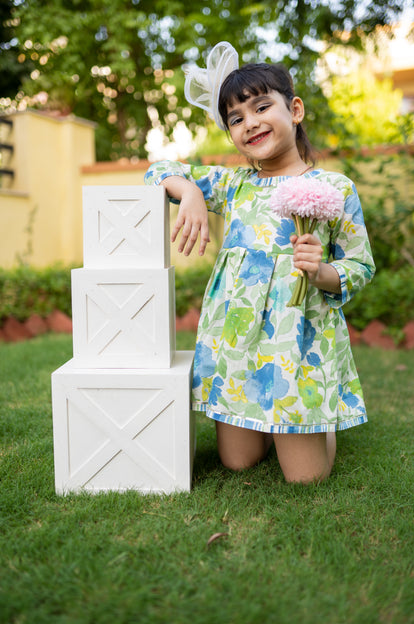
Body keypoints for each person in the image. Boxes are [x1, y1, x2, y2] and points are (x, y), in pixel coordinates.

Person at [145, 42, 375, 483]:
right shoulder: (233, 184)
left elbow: (360, 265)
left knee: (305, 479)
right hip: (237, 343)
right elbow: (159, 169)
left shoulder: (335, 187)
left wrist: (322, 271)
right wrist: (190, 191)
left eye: (261, 107)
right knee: (238, 462)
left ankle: (317, 421)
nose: (250, 123)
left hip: (298, 345)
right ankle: (266, 424)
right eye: (236, 118)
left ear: (295, 109)